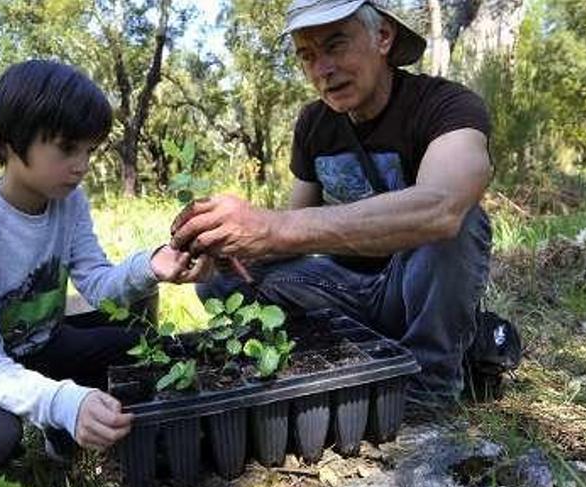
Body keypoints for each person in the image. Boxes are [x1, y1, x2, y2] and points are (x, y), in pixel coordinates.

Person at [171, 0, 492, 409]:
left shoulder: (446, 105)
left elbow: (442, 207)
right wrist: (224, 240)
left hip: (415, 294)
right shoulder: (314, 123)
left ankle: (426, 391)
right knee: (223, 273)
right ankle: (306, 368)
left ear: (383, 37)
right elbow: (292, 234)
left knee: (462, 223)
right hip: (341, 290)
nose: (322, 69)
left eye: (335, 46)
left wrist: (272, 227)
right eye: (307, 56)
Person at [0, 60, 211, 487]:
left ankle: (65, 430)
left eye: (89, 151)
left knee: (140, 348)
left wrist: (152, 266)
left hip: (42, 344)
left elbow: (95, 281)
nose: (81, 166)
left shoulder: (69, 202)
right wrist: (62, 400)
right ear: (9, 143)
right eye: (66, 148)